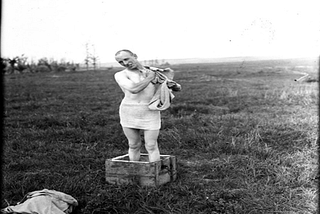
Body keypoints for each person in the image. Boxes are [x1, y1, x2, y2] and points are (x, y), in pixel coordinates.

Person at [114, 49, 162, 162]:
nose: (125, 63)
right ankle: (134, 173)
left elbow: (166, 85)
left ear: (135, 56)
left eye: (126, 59)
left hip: (150, 111)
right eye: (121, 62)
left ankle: (155, 175)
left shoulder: (153, 72)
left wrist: (171, 85)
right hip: (129, 111)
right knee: (134, 144)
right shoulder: (120, 75)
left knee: (151, 145)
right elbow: (134, 89)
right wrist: (150, 78)